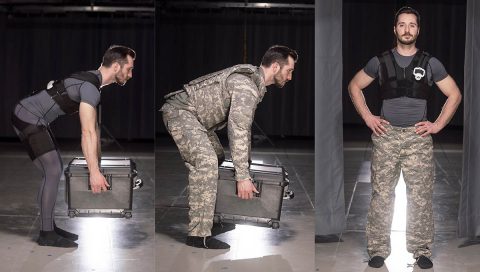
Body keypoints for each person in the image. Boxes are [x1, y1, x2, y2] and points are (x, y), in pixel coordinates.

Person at [348, 6, 461, 269]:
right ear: (395, 29)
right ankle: (377, 250)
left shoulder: (430, 63)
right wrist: (368, 117)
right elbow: (354, 85)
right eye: (402, 25)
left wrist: (438, 125)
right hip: (386, 137)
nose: (407, 29)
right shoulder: (380, 61)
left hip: (417, 139)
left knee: (420, 196)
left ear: (418, 30)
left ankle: (421, 251)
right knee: (381, 195)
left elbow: (454, 94)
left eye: (412, 25)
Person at [160, 45, 297, 249]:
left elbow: (244, 129)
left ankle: (210, 220)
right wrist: (242, 177)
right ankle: (198, 234)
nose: (290, 77)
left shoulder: (253, 82)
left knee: (216, 156)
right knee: (206, 163)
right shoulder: (246, 87)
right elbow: (238, 129)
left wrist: (246, 168)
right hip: (180, 112)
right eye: (289, 71)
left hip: (195, 119)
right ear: (276, 66)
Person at [11, 45, 135, 248]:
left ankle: (48, 226)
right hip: (28, 117)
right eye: (129, 69)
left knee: (52, 170)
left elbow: (93, 130)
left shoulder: (92, 81)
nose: (130, 74)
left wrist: (97, 163)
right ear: (115, 66)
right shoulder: (90, 89)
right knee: (52, 171)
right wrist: (94, 173)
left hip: (31, 116)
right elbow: (86, 133)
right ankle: (46, 233)